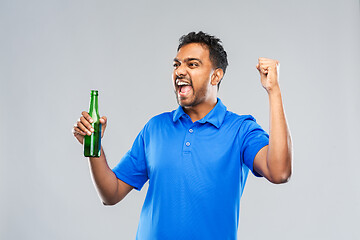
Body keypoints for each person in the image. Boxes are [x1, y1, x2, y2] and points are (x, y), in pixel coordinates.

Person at [72, 31, 292, 239]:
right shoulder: (155, 128)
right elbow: (111, 194)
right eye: (176, 65)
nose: (179, 71)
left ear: (216, 76)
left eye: (192, 64)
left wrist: (274, 91)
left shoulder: (240, 129)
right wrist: (95, 147)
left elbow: (280, 172)